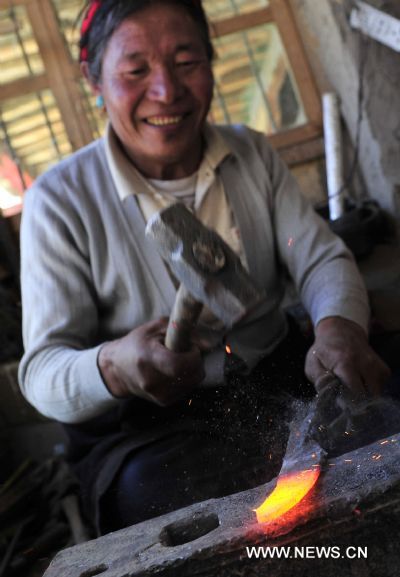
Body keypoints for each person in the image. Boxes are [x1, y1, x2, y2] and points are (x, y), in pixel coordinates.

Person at [19, 0, 390, 535]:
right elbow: (41, 373)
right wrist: (117, 365)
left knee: (376, 417)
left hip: (275, 373)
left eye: (187, 61)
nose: (167, 91)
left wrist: (338, 326)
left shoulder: (250, 154)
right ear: (93, 80)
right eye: (136, 70)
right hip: (153, 427)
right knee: (167, 492)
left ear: (211, 64)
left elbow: (321, 258)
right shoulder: (60, 199)